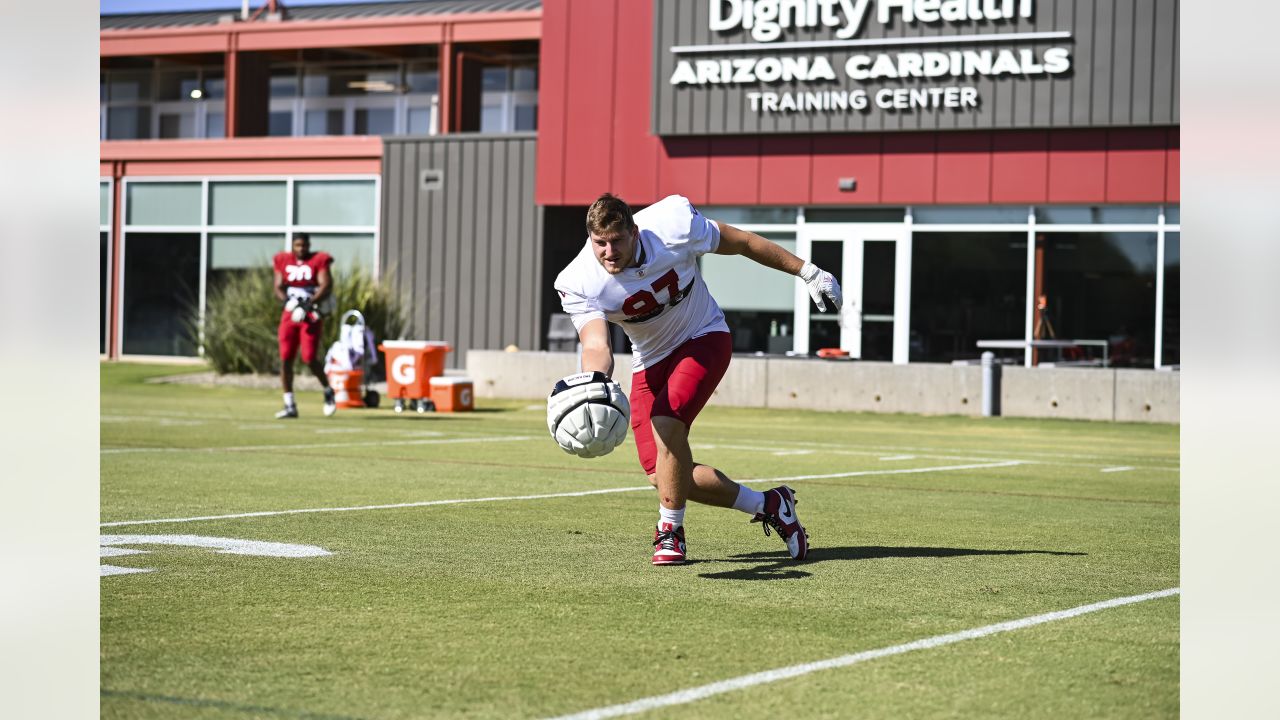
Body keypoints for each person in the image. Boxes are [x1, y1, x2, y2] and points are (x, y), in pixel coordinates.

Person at [553, 194, 842, 565]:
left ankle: (670, 531)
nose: (609, 252)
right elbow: (596, 343)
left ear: (635, 232)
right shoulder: (579, 280)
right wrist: (594, 382)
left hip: (703, 336)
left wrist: (806, 270)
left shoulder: (674, 226)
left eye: (617, 241)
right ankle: (770, 503)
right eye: (600, 243)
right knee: (663, 475)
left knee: (666, 423)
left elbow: (744, 242)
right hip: (648, 360)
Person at [273, 232, 337, 419]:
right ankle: (289, 403)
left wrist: (308, 304)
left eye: (304, 245)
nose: (301, 249)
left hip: (310, 312)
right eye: (298, 245)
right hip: (290, 313)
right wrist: (287, 302)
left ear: (309, 245)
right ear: (292, 246)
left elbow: (326, 284)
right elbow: (277, 286)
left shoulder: (319, 259)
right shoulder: (283, 260)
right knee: (286, 357)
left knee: (309, 357)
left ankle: (327, 390)